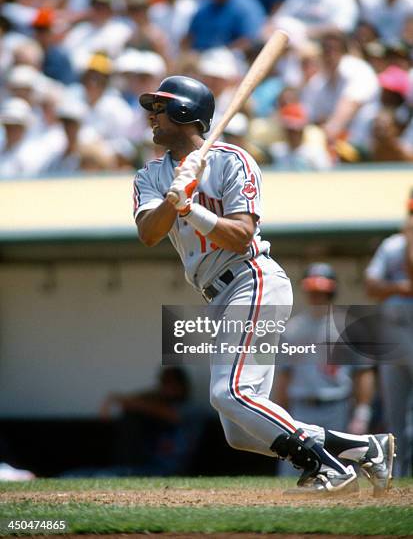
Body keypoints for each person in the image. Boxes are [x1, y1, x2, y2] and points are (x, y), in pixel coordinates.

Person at [133, 74, 395, 495]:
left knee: (230, 393)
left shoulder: (232, 160)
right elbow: (148, 232)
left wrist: (193, 210)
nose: (152, 117)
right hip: (216, 294)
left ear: (185, 112)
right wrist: (175, 198)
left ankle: (328, 467)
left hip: (250, 278)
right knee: (241, 431)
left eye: (160, 108)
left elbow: (240, 235)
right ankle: (364, 448)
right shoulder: (151, 175)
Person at [274, 263, 376, 478]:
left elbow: (363, 372)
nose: (317, 295)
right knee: (293, 473)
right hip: (300, 408)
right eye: (312, 290)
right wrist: (279, 413)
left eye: (322, 291)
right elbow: (284, 376)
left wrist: (362, 412)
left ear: (332, 291)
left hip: (337, 406)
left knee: (341, 471)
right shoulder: (293, 328)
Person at [365, 190, 413, 475]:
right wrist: (400, 288)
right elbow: (371, 286)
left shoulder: (403, 244)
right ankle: (398, 475)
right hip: (394, 334)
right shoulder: (391, 244)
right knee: (395, 414)